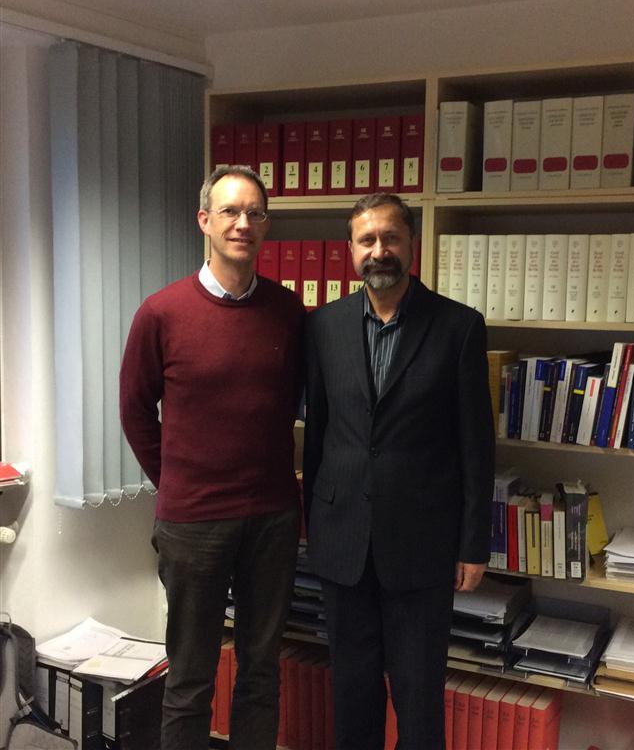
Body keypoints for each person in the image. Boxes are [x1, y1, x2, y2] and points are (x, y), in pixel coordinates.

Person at [119, 165, 304, 750]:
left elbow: (297, 401)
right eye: (229, 211)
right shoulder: (161, 312)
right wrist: (176, 481)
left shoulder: (288, 311)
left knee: (261, 673)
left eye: (254, 213)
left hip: (272, 519)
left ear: (265, 225)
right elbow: (134, 410)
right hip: (193, 524)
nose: (242, 223)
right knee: (190, 677)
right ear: (205, 220)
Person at [303, 192, 494, 750]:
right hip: (343, 545)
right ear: (350, 250)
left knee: (418, 699)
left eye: (390, 238)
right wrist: (315, 524)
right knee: (353, 695)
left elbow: (476, 445)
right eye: (367, 240)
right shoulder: (324, 326)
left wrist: (473, 544)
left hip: (422, 547)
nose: (379, 250)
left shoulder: (459, 327)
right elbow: (318, 436)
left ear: (412, 244)